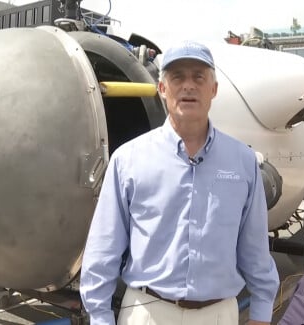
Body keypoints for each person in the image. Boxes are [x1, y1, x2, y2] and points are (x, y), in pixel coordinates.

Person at [80, 40, 279, 325]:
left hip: (219, 314)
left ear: (214, 89)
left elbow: (255, 251)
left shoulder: (243, 162)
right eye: (177, 77)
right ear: (162, 89)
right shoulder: (129, 160)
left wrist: (261, 312)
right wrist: (100, 316)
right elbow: (104, 246)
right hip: (148, 312)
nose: (188, 86)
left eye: (199, 77)